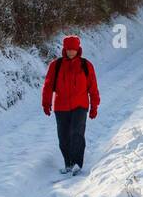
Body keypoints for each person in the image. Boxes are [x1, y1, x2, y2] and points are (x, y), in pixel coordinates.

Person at [41, 35, 100, 175]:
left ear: (78, 49)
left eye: (73, 49)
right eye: (68, 49)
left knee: (77, 134)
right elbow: (48, 85)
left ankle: (77, 164)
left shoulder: (86, 65)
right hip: (61, 107)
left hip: (80, 105)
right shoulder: (56, 65)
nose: (71, 52)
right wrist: (46, 103)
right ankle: (68, 163)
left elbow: (93, 88)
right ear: (64, 49)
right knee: (63, 137)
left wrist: (94, 106)